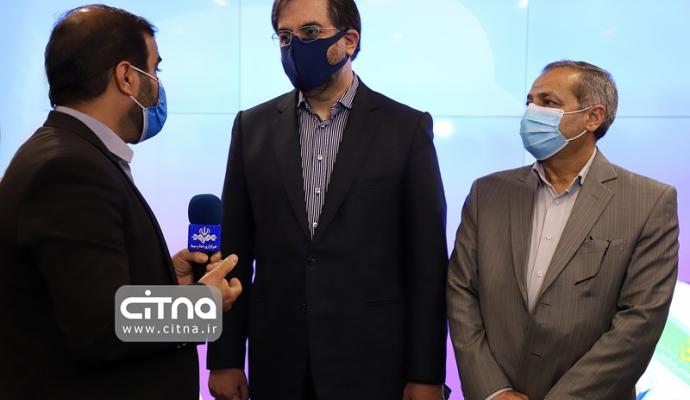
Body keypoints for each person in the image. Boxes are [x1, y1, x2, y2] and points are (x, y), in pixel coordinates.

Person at [206, 1, 449, 399]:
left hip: (373, 364)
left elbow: (426, 262)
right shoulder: (251, 127)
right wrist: (225, 357)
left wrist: (426, 373)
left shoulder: (406, 128)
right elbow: (234, 253)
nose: (294, 46)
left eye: (310, 32)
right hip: (278, 363)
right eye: (285, 36)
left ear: (349, 40)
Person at [0, 5, 241, 399]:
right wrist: (201, 306)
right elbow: (103, 325)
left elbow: (84, 292)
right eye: (155, 70)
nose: (158, 85)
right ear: (127, 76)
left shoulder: (72, 153)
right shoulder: (69, 168)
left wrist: (167, 281)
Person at [447, 60, 679, 400]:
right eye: (530, 101)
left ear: (593, 117)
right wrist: (493, 391)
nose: (532, 112)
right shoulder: (488, 193)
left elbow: (640, 321)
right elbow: (461, 293)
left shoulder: (648, 201)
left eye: (548, 102)